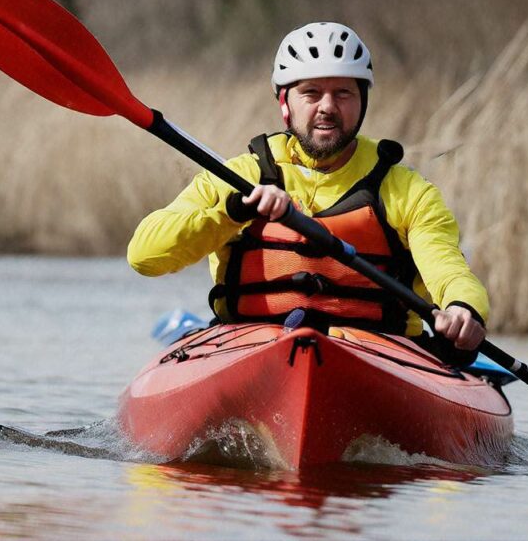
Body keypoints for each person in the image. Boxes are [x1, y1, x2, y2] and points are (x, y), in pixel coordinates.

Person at [127, 22, 488, 364]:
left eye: (343, 93)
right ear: (285, 103)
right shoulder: (240, 177)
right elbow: (144, 256)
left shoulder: (407, 191)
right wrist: (233, 211)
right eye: (311, 93)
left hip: (378, 354)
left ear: (362, 101)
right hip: (251, 347)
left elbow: (450, 271)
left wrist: (462, 309)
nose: (327, 107)